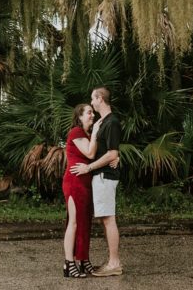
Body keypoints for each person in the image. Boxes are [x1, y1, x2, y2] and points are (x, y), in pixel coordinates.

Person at [72, 86, 123, 277]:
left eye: (92, 99)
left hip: (105, 177)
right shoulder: (103, 123)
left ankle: (114, 263)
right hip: (101, 176)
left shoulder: (112, 122)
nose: (91, 103)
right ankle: (112, 261)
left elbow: (112, 153)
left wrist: (89, 167)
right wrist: (113, 157)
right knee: (105, 219)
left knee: (109, 219)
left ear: (100, 98)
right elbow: (109, 151)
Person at [62, 104, 96, 278]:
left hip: (86, 183)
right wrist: (97, 130)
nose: (93, 115)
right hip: (74, 182)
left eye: (93, 112)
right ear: (80, 116)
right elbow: (90, 154)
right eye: (89, 112)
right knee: (74, 222)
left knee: (85, 223)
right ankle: (69, 263)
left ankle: (83, 260)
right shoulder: (76, 132)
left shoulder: (87, 134)